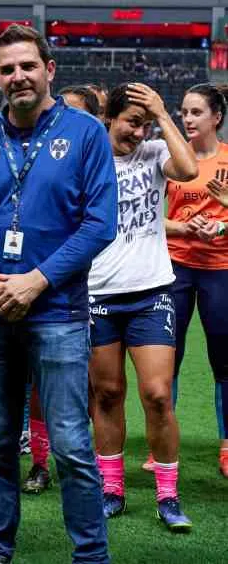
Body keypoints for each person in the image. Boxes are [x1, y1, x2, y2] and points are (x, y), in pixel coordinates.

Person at [0, 25, 115, 564]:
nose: (18, 76)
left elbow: (98, 224)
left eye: (27, 66)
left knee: (70, 444)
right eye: (7, 68)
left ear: (48, 70)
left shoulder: (86, 134)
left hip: (57, 313)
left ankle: (90, 555)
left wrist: (37, 279)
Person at [88, 82, 197, 531]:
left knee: (156, 394)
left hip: (152, 291)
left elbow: (189, 170)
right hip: (97, 293)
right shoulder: (89, 158)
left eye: (145, 123)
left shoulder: (154, 153)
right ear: (110, 118)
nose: (139, 131)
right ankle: (111, 489)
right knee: (108, 393)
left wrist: (163, 117)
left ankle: (168, 496)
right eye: (133, 121)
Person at [166, 83, 228, 478]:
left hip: (220, 269)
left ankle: (227, 445)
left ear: (216, 117)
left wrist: (223, 222)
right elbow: (154, 216)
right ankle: (162, 444)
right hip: (174, 267)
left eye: (195, 112)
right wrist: (187, 230)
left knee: (224, 363)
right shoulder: (172, 159)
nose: (187, 119)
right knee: (167, 360)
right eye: (184, 112)